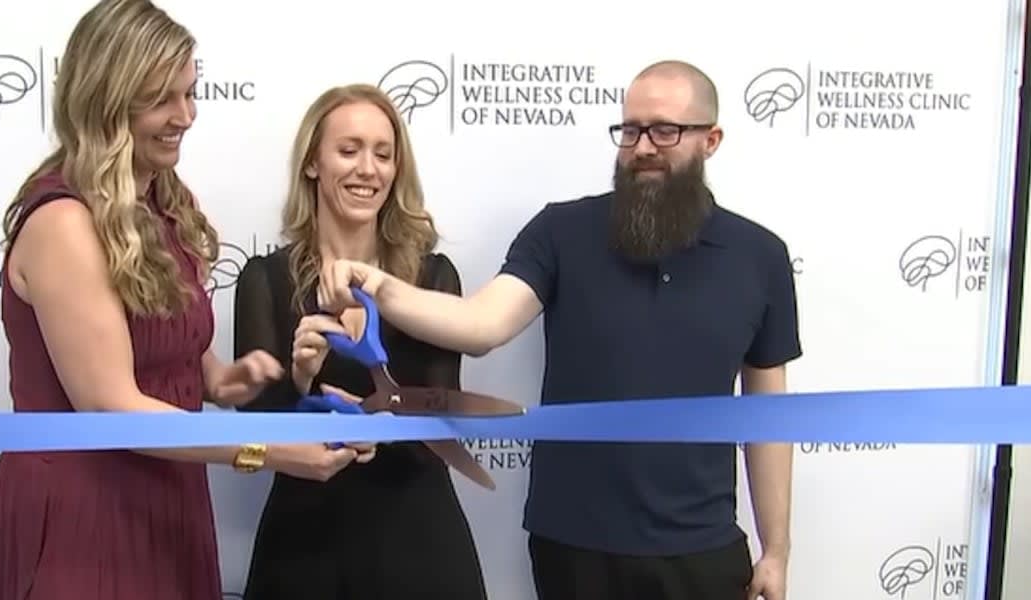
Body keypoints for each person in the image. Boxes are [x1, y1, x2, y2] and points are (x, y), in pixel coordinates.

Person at [313, 60, 800, 600]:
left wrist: (776, 550)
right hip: (574, 550)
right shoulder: (561, 232)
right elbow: (481, 324)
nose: (642, 147)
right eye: (631, 129)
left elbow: (768, 417)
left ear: (711, 140)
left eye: (665, 130)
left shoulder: (761, 257)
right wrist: (378, 285)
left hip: (703, 551)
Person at [0, 2, 367, 599]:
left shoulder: (161, 205)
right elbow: (110, 407)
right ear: (106, 99)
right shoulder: (62, 222)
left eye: (190, 93)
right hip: (85, 518)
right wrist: (266, 451)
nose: (184, 116)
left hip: (166, 497)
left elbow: (171, 364)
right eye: (162, 98)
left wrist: (229, 380)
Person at [231, 83, 488, 600]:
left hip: (418, 543)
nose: (367, 169)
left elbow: (441, 424)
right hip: (303, 549)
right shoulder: (265, 279)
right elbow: (256, 432)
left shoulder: (432, 279)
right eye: (348, 150)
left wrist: (384, 431)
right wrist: (301, 380)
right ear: (312, 163)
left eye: (383, 154)